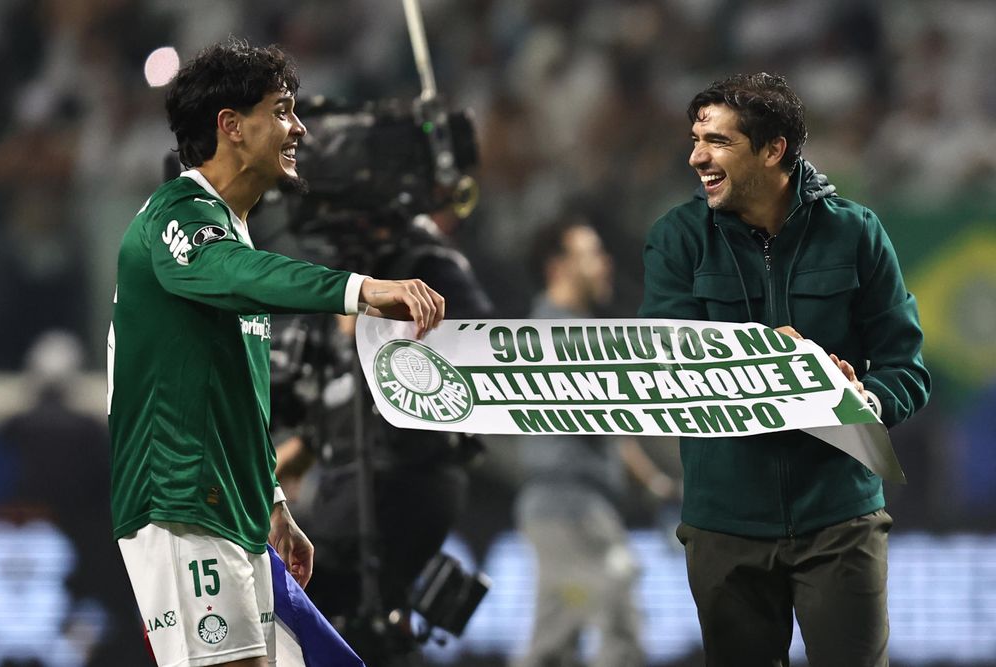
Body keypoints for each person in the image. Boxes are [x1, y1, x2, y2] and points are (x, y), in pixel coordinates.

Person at [107, 38, 445, 667]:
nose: (300, 128)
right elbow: (248, 274)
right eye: (283, 110)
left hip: (230, 507)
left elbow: (234, 391)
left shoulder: (228, 231)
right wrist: (362, 289)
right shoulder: (177, 218)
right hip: (182, 501)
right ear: (231, 126)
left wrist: (273, 500)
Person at [638, 72, 930, 666]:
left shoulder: (856, 232)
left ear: (774, 149)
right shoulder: (677, 239)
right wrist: (762, 358)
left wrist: (865, 400)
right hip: (725, 522)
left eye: (718, 141)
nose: (696, 156)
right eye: (696, 139)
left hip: (840, 517)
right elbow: (668, 364)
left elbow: (906, 368)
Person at [272, 208, 494, 666]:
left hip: (397, 485)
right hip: (347, 494)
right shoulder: (321, 336)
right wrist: (275, 474)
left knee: (310, 605)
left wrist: (379, 335)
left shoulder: (424, 269)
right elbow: (310, 422)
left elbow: (476, 345)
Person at [516, 216, 678, 667]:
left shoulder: (575, 333)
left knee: (551, 645)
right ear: (558, 268)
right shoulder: (548, 336)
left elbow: (606, 425)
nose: (604, 264)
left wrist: (655, 484)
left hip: (568, 509)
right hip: (570, 511)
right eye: (591, 254)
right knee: (620, 622)